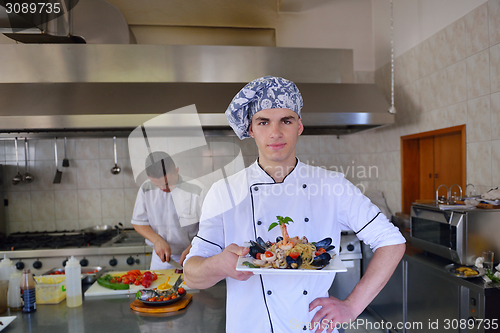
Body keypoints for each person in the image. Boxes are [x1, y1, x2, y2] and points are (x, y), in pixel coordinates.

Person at [184, 76, 406, 333]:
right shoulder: (223, 191)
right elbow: (191, 274)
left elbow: (392, 242)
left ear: (299, 126)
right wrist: (217, 265)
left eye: (285, 121)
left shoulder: (332, 185)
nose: (275, 132)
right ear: (251, 129)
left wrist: (352, 306)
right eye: (263, 122)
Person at [132, 151, 205, 270]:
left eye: (167, 183)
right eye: (157, 185)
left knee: (190, 289)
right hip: (161, 259)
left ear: (176, 170)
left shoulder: (197, 190)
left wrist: (193, 247)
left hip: (193, 255)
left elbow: (209, 227)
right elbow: (139, 222)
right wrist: (157, 240)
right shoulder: (146, 188)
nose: (163, 189)